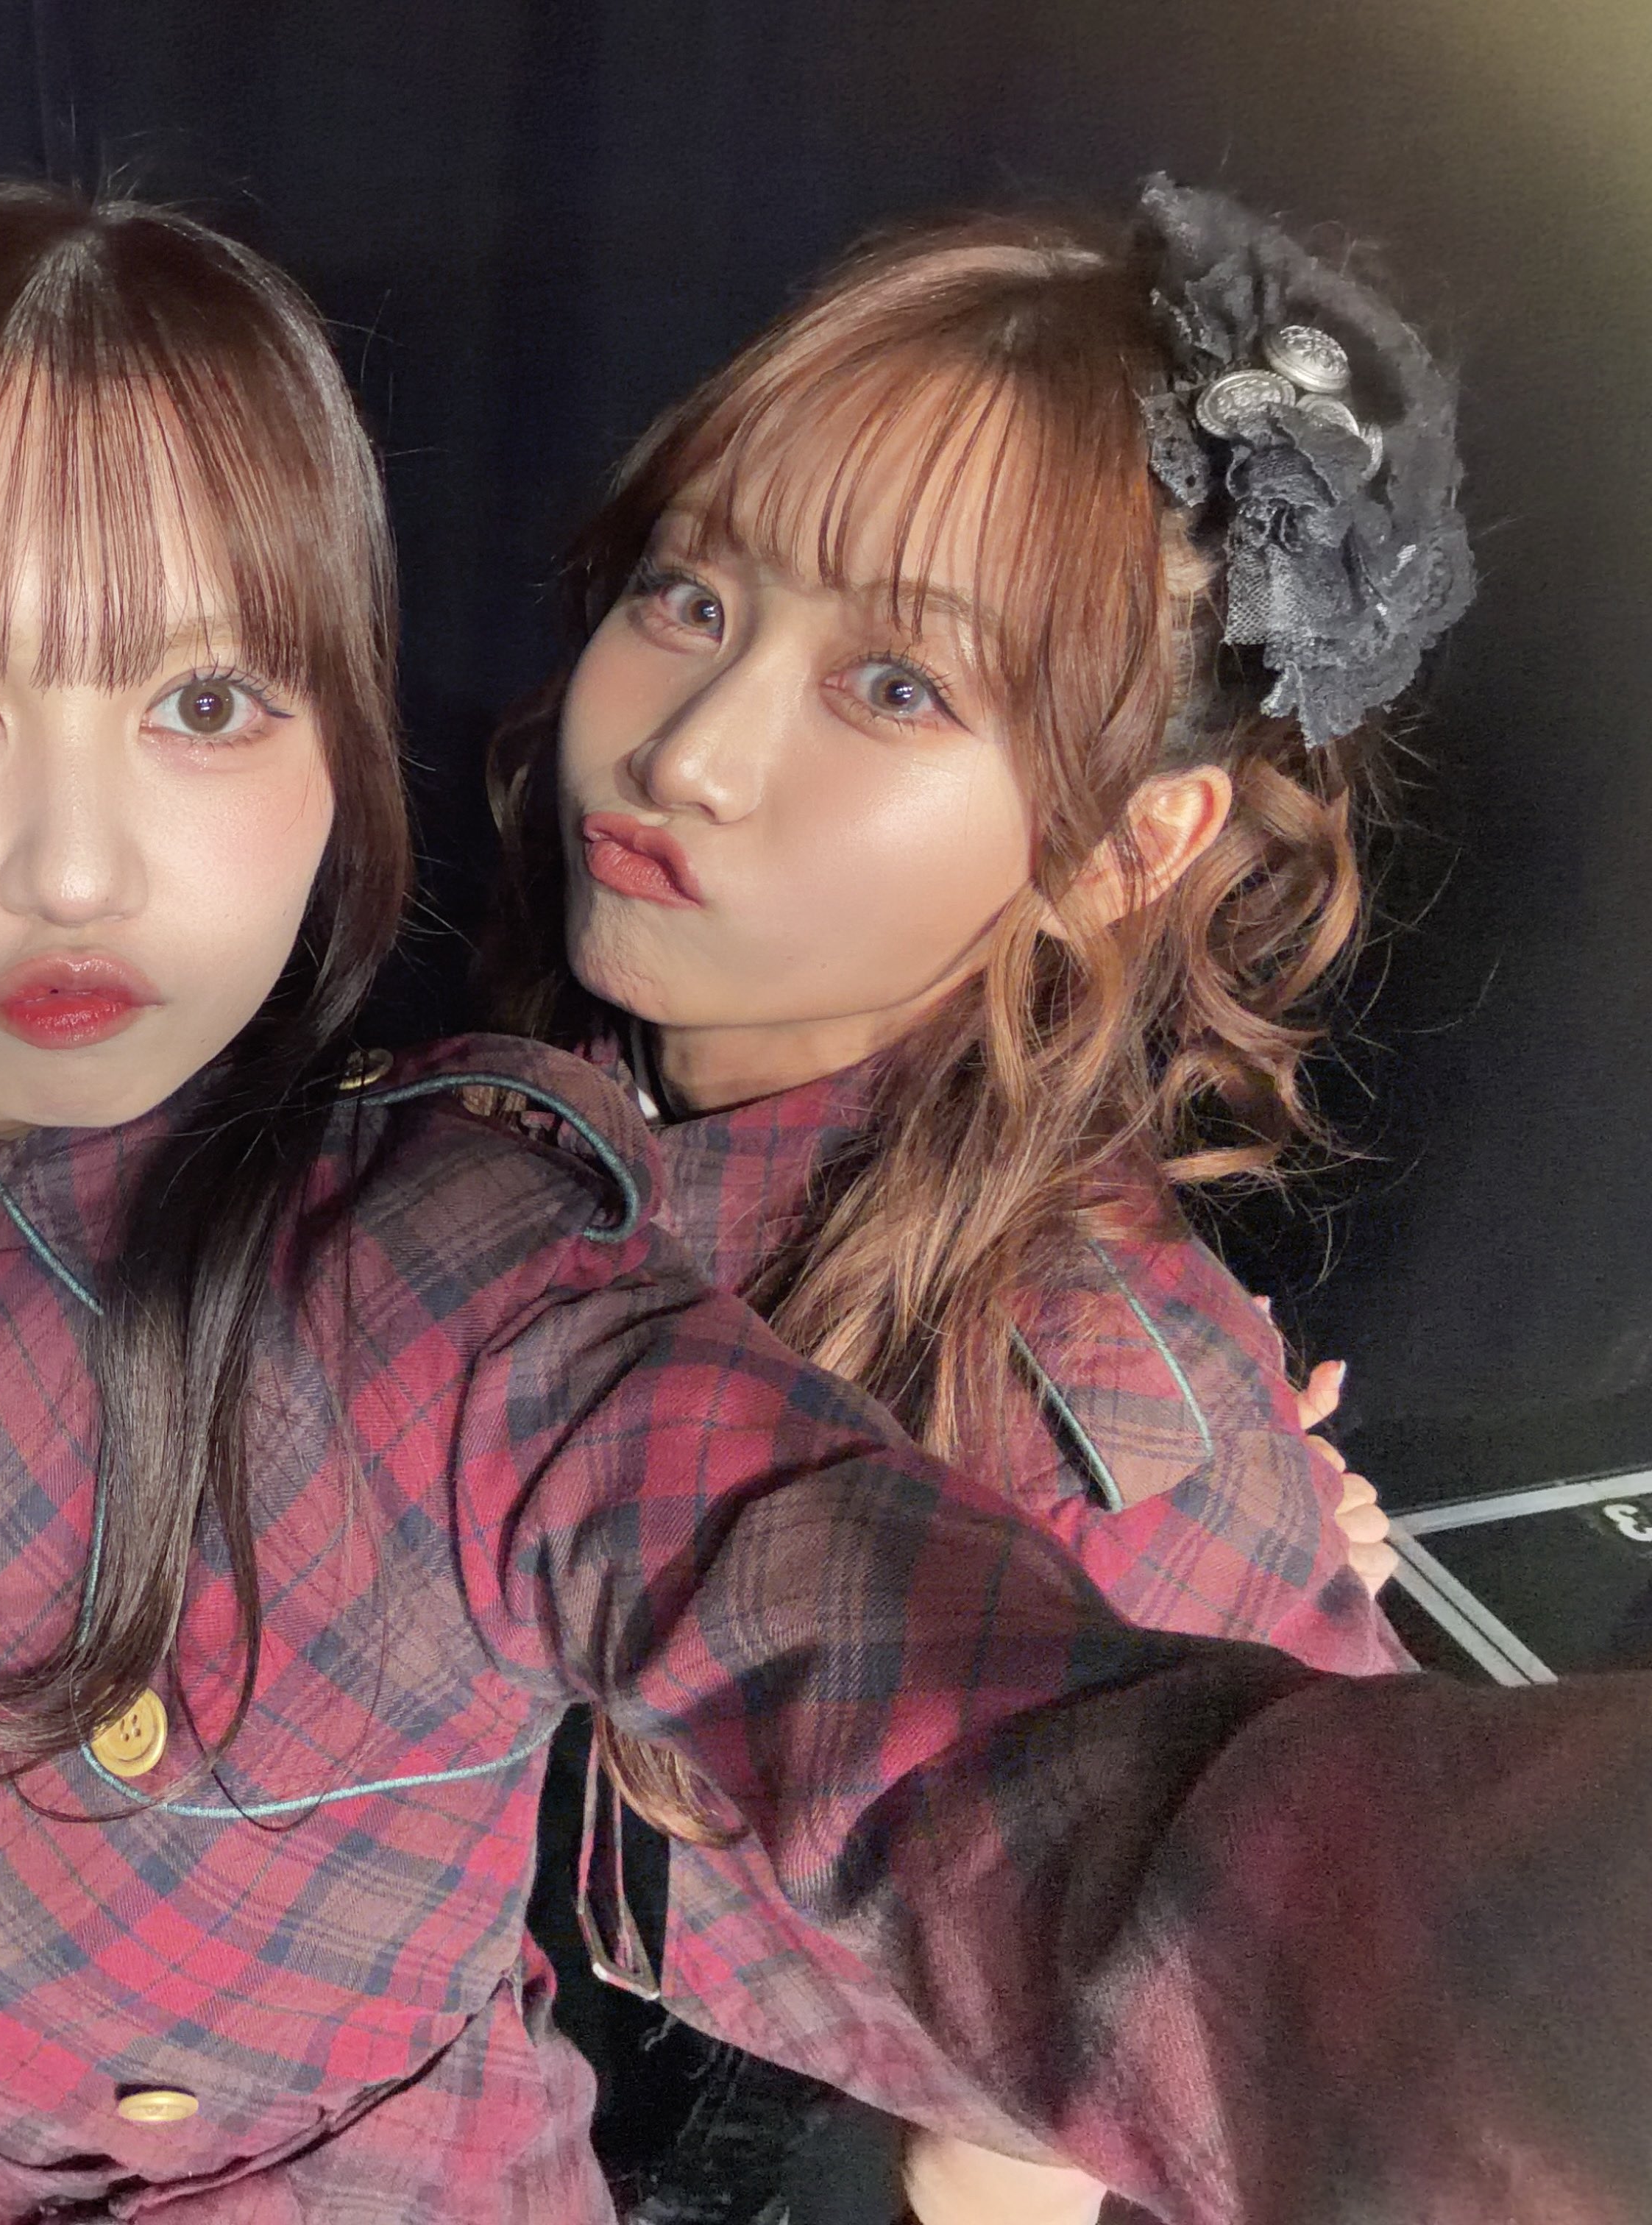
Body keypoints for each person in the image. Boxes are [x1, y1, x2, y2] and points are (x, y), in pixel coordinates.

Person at [0, 146, 1652, 2225]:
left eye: (205, 700)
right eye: (688, 595)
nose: (689, 752)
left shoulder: (523, 1265)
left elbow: (1084, 1841)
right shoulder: (518, 1045)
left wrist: (1386, 1848)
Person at [479, 181, 1461, 2221]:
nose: (689, 754)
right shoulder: (563, 1085)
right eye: (690, 596)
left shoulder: (1106, 1457)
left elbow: (1142, 2105)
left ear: (1129, 842)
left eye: (900, 688)